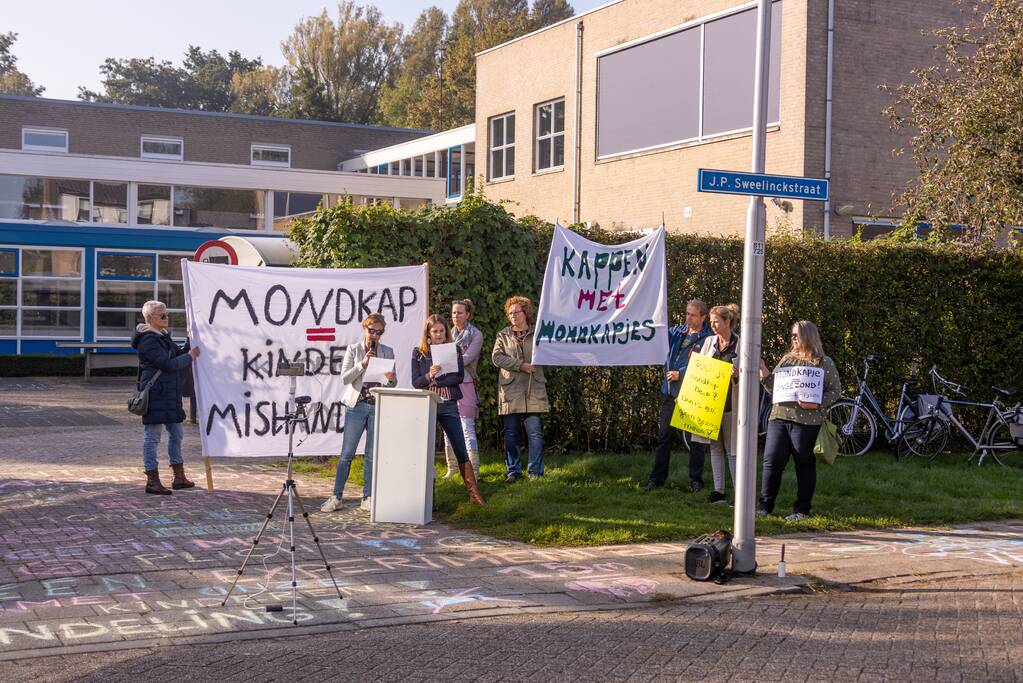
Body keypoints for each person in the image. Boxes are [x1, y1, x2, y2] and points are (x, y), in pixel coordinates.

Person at [757, 320, 842, 521]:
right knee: (772, 462)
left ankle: (802, 510)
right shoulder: (787, 360)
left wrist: (817, 403)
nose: (792, 339)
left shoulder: (824, 362)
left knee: (804, 464)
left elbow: (835, 391)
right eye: (792, 335)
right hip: (779, 417)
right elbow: (773, 387)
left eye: (796, 335)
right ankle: (764, 507)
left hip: (807, 422)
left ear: (808, 336)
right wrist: (763, 370)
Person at [321, 314, 397, 513]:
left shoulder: (388, 351)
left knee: (371, 455)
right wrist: (362, 363)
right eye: (372, 330)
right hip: (357, 406)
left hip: (377, 406)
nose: (375, 335)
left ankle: (367, 497)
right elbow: (345, 378)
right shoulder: (353, 349)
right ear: (365, 329)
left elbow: (393, 383)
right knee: (347, 454)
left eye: (379, 332)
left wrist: (390, 379)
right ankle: (336, 497)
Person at [411, 314, 486, 505]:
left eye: (441, 331)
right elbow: (417, 382)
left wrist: (438, 380)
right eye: (434, 331)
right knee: (424, 449)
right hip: (428, 403)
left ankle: (473, 493)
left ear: (446, 332)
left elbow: (458, 378)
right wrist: (429, 375)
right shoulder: (419, 353)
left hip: (449, 403)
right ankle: (426, 496)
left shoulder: (455, 350)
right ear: (428, 333)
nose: (438, 334)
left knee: (460, 445)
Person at [131, 300, 200, 495]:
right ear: (151, 318)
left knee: (177, 434)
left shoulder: (162, 336)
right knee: (152, 437)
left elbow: (177, 353)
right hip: (156, 395)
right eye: (162, 315)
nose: (166, 318)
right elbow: (167, 364)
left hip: (169, 394)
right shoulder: (148, 340)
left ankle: (179, 476)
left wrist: (190, 339)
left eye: (166, 314)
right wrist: (190, 356)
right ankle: (152, 480)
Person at [644, 299, 713, 492]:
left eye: (693, 315)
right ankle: (657, 479)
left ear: (703, 317)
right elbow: (655, 335)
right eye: (687, 313)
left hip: (693, 393)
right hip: (670, 393)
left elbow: (705, 364)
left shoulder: (708, 338)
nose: (688, 318)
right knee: (664, 436)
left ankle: (696, 481)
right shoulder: (677, 332)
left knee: (696, 441)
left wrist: (681, 373)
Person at [492, 295, 549, 482]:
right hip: (511, 390)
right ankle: (513, 472)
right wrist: (520, 365)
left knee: (534, 432)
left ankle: (535, 472)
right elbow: (497, 358)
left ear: (526, 313)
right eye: (510, 313)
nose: (513, 315)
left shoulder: (539, 333)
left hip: (534, 387)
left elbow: (549, 353)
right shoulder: (503, 335)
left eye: (516, 312)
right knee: (511, 433)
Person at [694, 304, 740, 504]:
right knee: (714, 446)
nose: (712, 325)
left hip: (731, 403)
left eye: (716, 321)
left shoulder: (740, 344)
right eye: (711, 321)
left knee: (732, 449)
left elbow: (749, 373)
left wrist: (737, 374)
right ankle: (718, 490)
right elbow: (699, 369)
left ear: (728, 321)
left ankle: (739, 492)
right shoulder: (709, 342)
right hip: (710, 404)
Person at [442, 299, 484, 478]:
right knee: (447, 426)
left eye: (459, 313)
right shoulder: (447, 334)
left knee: (467, 426)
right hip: (448, 383)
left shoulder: (476, 334)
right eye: (453, 313)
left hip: (466, 383)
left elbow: (467, 358)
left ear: (467, 314)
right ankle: (452, 468)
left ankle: (472, 469)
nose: (455, 316)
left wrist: (445, 361)